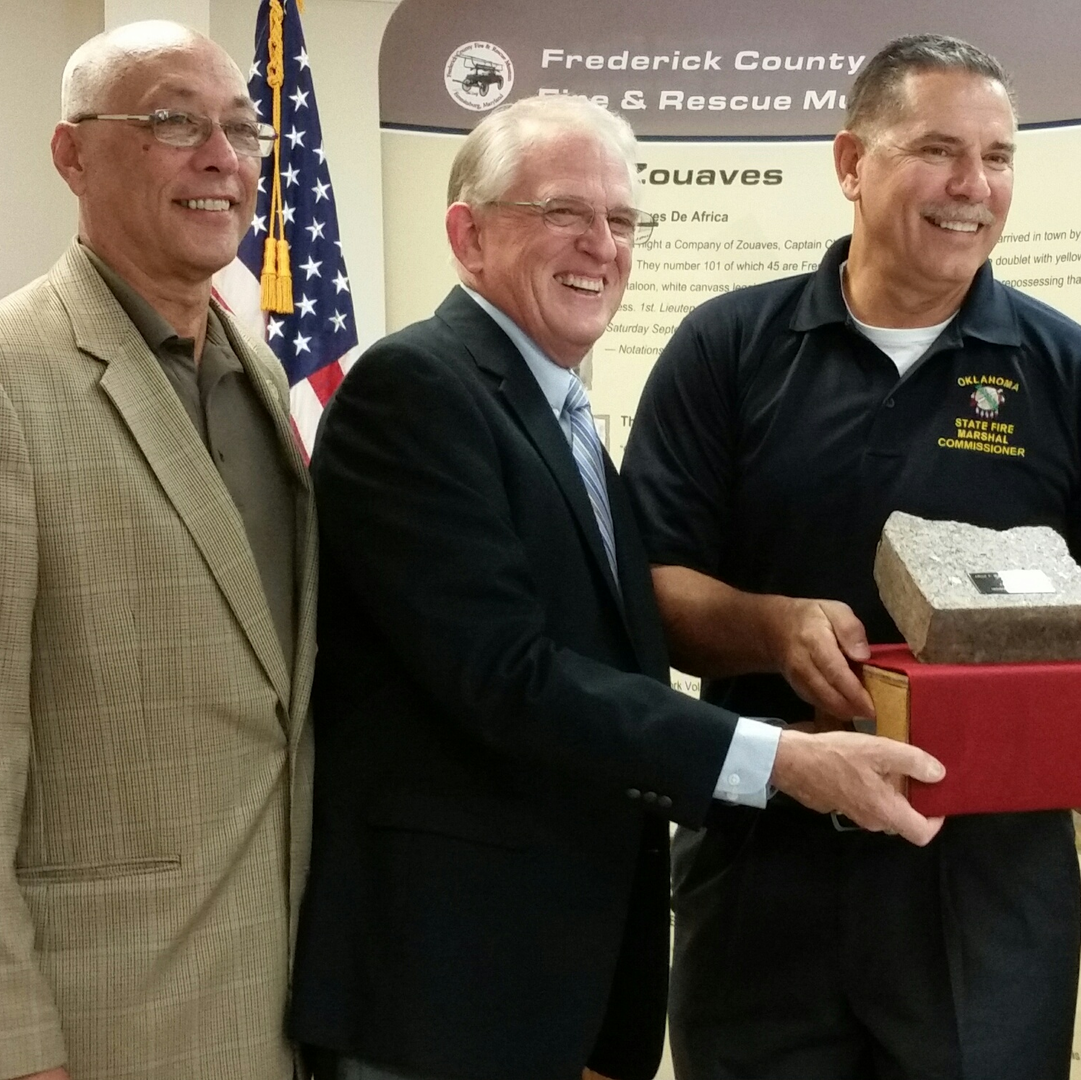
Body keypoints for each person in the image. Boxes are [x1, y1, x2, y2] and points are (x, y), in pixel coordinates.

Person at [285, 94, 944, 1080]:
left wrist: (793, 744)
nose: (602, 245)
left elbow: (602, 668)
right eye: (564, 212)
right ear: (468, 235)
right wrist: (776, 760)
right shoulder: (416, 391)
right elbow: (507, 676)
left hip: (553, 982)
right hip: (447, 990)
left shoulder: (564, 415)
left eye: (623, 220)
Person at [623, 34, 1081, 1080]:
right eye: (938, 150)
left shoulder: (1080, 378)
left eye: (999, 157)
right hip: (766, 858)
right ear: (851, 163)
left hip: (983, 889)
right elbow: (653, 586)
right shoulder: (726, 349)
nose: (974, 187)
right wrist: (772, 625)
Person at [0, 21, 314, 1080]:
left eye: (242, 129)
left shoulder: (262, 382)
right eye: (172, 121)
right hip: (82, 1033)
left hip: (261, 1012)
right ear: (72, 155)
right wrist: (5, 1051)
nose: (221, 158)